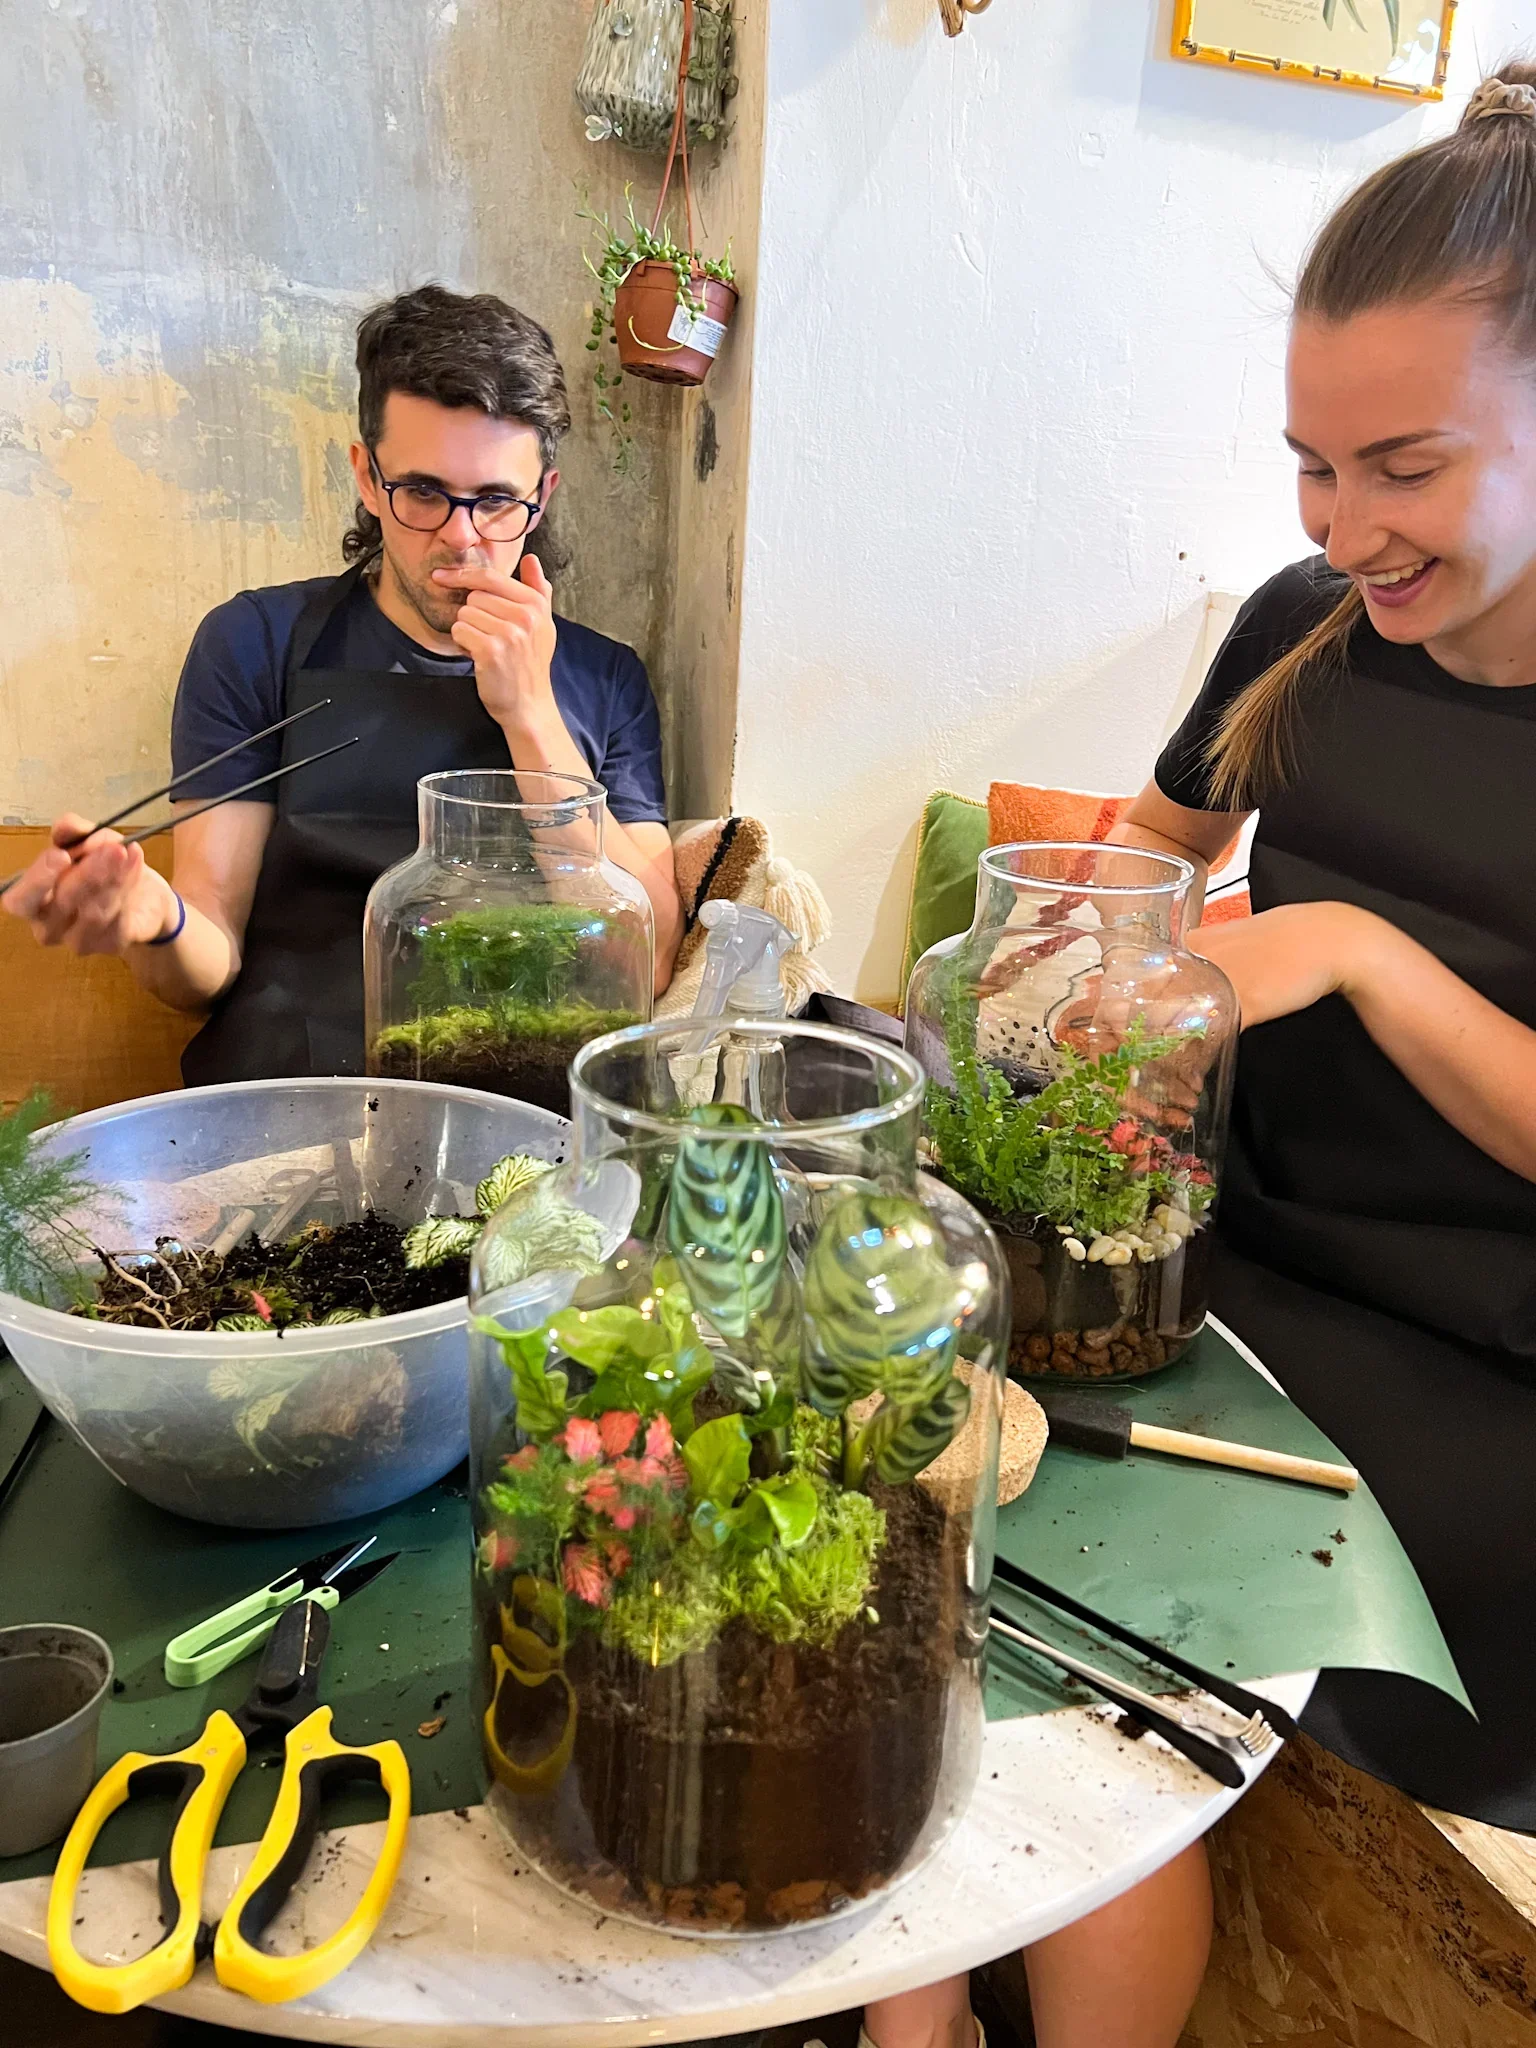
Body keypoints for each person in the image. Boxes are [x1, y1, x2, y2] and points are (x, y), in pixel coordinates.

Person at [861, 61, 1536, 2048]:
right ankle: (906, 2013)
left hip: (1480, 1384)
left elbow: (1297, 954)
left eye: (1402, 465)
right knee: (921, 1498)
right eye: (1313, 464)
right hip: (1208, 1288)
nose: (1343, 524)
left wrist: (1341, 953)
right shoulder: (1306, 626)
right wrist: (1044, 971)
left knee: (1083, 1638)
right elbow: (1117, 888)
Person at [2, 285, 682, 1080]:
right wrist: (152, 918)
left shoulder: (605, 679)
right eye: (423, 492)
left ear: (541, 501)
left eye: (496, 500)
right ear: (367, 477)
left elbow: (649, 958)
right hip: (288, 1098)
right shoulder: (256, 643)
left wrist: (529, 710)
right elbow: (205, 960)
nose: (460, 538)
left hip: (528, 1118)